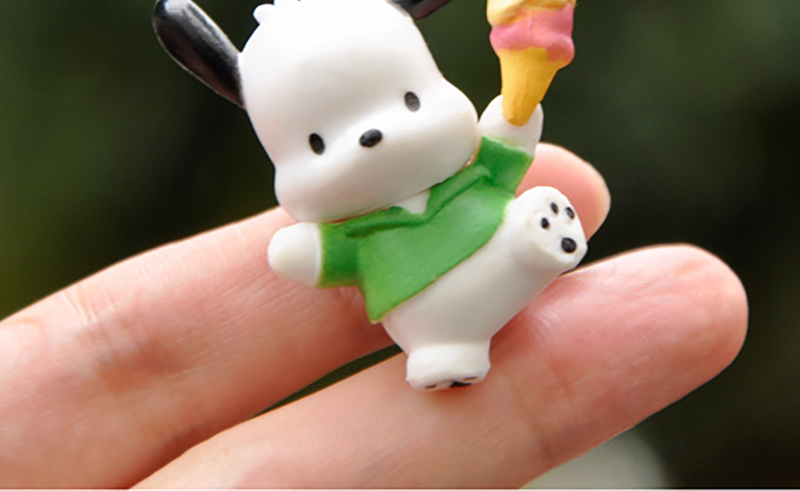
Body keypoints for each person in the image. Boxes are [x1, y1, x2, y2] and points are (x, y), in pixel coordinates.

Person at [0, 144, 747, 488]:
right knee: (466, 308)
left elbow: (507, 144)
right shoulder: (357, 229)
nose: (371, 139)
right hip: (430, 320)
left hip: (489, 253)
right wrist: (301, 246)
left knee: (519, 234)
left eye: (412, 104)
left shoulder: (465, 177)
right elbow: (308, 256)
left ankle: (533, 249)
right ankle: (490, 299)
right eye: (319, 144)